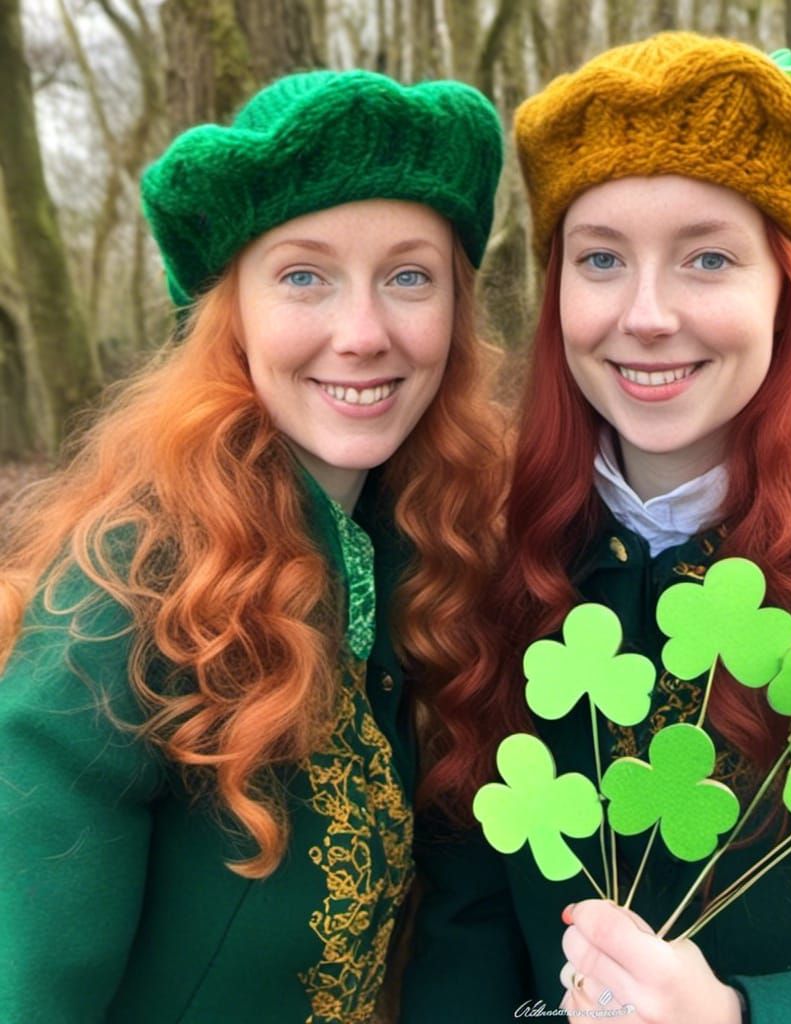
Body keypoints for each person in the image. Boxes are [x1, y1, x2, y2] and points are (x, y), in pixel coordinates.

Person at [399, 32, 791, 1024]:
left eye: (707, 257)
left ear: (785, 289)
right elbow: (459, 931)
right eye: (600, 258)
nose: (645, 314)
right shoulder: (494, 558)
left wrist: (737, 1016)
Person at [0, 68, 505, 1024]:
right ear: (232, 316)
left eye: (408, 276)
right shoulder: (135, 575)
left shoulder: (426, 553)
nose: (362, 334)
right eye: (304, 277)